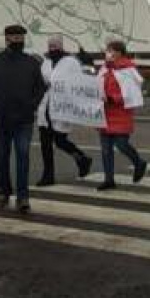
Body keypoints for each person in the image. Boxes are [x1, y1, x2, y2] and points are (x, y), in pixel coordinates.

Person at [0, 25, 46, 214]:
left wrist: (32, 105)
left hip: (24, 120)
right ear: (7, 39)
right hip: (1, 119)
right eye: (14, 37)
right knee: (2, 157)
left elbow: (41, 87)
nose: (18, 40)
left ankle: (23, 197)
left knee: (23, 157)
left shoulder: (31, 63)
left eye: (20, 37)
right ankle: (3, 193)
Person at [35, 35, 94, 187]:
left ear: (61, 46)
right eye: (51, 45)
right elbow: (41, 80)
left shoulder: (71, 62)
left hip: (62, 107)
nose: (53, 48)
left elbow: (80, 82)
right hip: (46, 106)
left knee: (60, 141)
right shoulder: (46, 62)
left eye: (56, 45)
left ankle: (82, 158)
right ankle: (48, 175)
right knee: (45, 144)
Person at [98, 40, 149, 190]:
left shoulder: (127, 68)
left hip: (121, 113)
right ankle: (109, 179)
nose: (109, 53)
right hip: (105, 113)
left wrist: (114, 98)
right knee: (106, 149)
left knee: (121, 145)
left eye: (111, 50)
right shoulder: (104, 68)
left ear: (120, 52)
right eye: (107, 50)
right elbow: (97, 85)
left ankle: (138, 162)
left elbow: (132, 92)